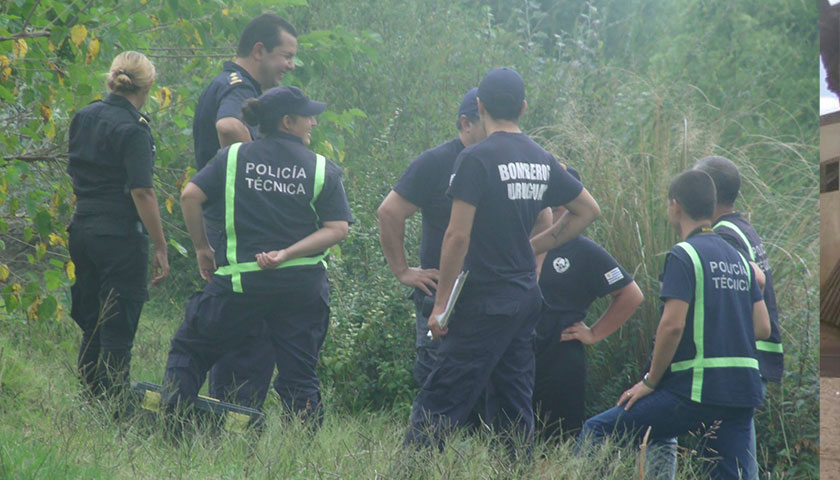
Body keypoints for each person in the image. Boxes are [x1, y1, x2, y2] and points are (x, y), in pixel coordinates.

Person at [404, 67, 601, 454]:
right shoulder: (541, 158)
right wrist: (534, 247)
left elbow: (457, 236)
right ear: (523, 108)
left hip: (483, 300)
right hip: (525, 297)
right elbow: (588, 210)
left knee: (441, 398)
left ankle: (412, 469)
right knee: (514, 402)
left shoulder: (475, 158)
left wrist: (441, 305)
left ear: (480, 106)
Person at [163, 86, 352, 422]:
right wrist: (287, 254)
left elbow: (190, 196)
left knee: (191, 349)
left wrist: (202, 248)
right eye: (308, 117)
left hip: (240, 284)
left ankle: (173, 420)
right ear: (287, 121)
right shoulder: (322, 168)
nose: (313, 122)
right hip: (302, 288)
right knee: (299, 374)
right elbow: (337, 229)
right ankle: (302, 445)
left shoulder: (233, 157)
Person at [577, 170, 771, 480]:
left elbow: (672, 326)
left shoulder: (685, 254)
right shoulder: (738, 258)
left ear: (675, 206)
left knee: (597, 431)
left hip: (696, 390)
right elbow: (762, 328)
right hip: (742, 390)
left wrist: (650, 382)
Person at [192, 13, 298, 406]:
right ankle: (235, 415)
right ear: (259, 51)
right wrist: (260, 173)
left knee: (232, 320)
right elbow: (228, 127)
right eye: (286, 56)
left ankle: (227, 412)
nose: (290, 65)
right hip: (232, 222)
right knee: (248, 327)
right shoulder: (239, 87)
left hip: (221, 222)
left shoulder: (225, 82)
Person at [67, 51, 169, 401]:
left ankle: (89, 398)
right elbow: (142, 191)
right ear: (149, 85)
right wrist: (160, 245)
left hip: (82, 228)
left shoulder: (84, 115)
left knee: (92, 321)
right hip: (119, 236)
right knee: (118, 326)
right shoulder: (134, 128)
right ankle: (113, 406)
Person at [377, 87, 486, 385]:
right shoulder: (437, 162)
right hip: (442, 290)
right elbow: (389, 213)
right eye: (488, 122)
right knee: (437, 378)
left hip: (492, 291)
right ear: (466, 123)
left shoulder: (500, 159)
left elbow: (543, 216)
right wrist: (402, 271)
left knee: (485, 382)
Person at [533, 166, 644, 440]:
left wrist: (593, 333)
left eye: (560, 196)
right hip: (520, 354)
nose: (552, 202)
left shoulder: (584, 250)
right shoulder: (526, 241)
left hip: (560, 357)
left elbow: (631, 294)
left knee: (557, 440)